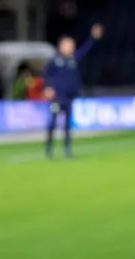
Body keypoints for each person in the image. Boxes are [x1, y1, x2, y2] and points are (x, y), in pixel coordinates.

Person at [43, 23, 103, 158]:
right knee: (53, 122)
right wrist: (48, 88)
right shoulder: (55, 60)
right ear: (61, 46)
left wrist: (93, 38)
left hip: (69, 96)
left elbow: (85, 50)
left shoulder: (73, 59)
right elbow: (45, 74)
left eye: (72, 45)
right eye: (68, 44)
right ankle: (48, 148)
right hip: (57, 97)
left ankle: (67, 149)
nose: (70, 47)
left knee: (67, 125)